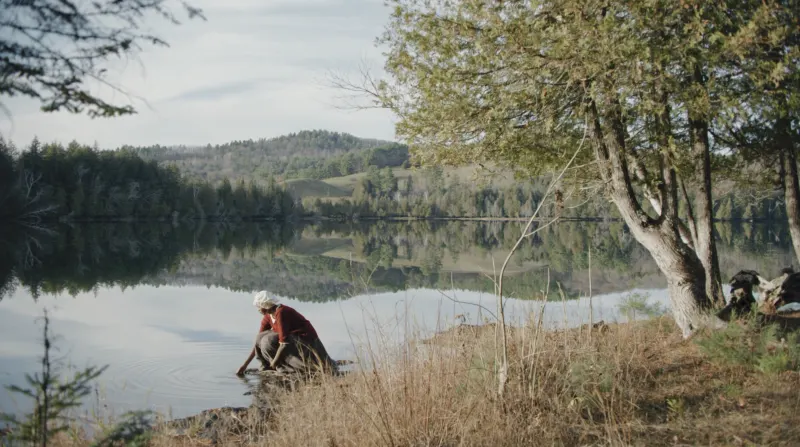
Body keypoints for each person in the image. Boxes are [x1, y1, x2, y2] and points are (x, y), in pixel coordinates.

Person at [236, 291, 337, 376]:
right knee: (260, 338)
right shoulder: (268, 317)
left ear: (265, 305)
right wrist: (245, 365)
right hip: (292, 340)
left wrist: (274, 363)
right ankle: (265, 366)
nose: (258, 309)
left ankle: (283, 368)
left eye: (259, 306)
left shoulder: (282, 312)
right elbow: (257, 344)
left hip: (306, 341)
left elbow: (284, 343)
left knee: (269, 340)